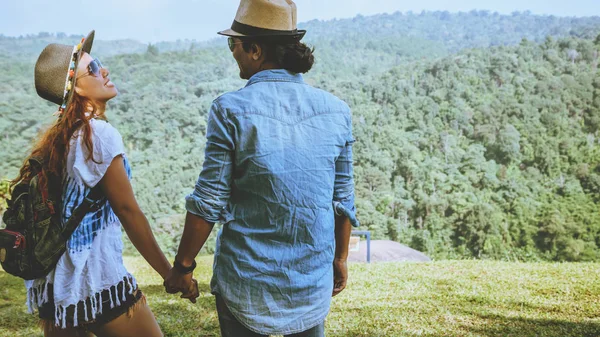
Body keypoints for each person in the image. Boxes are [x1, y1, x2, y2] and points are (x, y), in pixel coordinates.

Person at [163, 1, 359, 336]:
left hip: (245, 281)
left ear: (255, 49)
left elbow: (209, 201)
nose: (233, 52)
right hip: (310, 281)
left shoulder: (230, 110)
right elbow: (343, 200)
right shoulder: (337, 111)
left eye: (233, 44)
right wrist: (339, 260)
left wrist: (183, 266)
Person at [16, 30, 184, 337]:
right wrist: (170, 273)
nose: (103, 70)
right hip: (96, 285)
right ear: (77, 88)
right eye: (93, 69)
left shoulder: (60, 139)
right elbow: (127, 211)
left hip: (56, 291)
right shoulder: (98, 136)